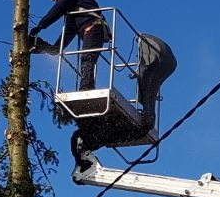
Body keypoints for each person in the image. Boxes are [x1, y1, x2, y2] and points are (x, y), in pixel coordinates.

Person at [70, 32, 178, 173]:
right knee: (145, 113)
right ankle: (147, 113)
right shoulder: (96, 132)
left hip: (120, 128)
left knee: (88, 59)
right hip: (127, 128)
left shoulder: (91, 132)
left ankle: (86, 86)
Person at [29, 0, 109, 90]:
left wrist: (41, 25)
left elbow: (59, 8)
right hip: (89, 30)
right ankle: (37, 45)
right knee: (80, 55)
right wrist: (56, 48)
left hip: (95, 27)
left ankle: (86, 87)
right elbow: (68, 31)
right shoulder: (72, 11)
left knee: (87, 57)